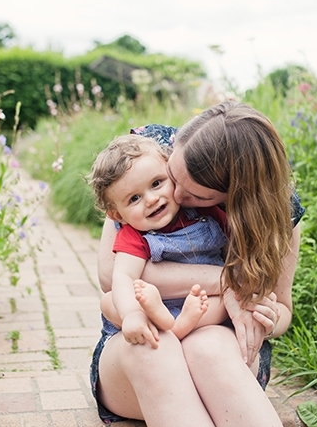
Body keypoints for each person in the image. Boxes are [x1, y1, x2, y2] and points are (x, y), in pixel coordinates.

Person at [89, 101, 305, 427]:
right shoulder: (143, 159)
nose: (165, 195)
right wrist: (230, 282)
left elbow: (282, 309)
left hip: (223, 362)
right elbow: (111, 276)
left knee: (208, 347)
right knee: (154, 347)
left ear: (232, 199)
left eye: (195, 197)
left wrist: (266, 317)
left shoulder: (280, 211)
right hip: (141, 364)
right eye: (171, 176)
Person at [88, 134, 229, 347]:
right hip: (153, 306)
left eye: (156, 183)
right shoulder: (134, 235)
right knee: (109, 302)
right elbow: (124, 276)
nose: (151, 199)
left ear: (171, 173)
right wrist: (132, 314)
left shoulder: (204, 210)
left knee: (226, 303)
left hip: (202, 304)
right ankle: (171, 325)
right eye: (134, 198)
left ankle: (173, 327)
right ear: (118, 216)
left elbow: (235, 247)